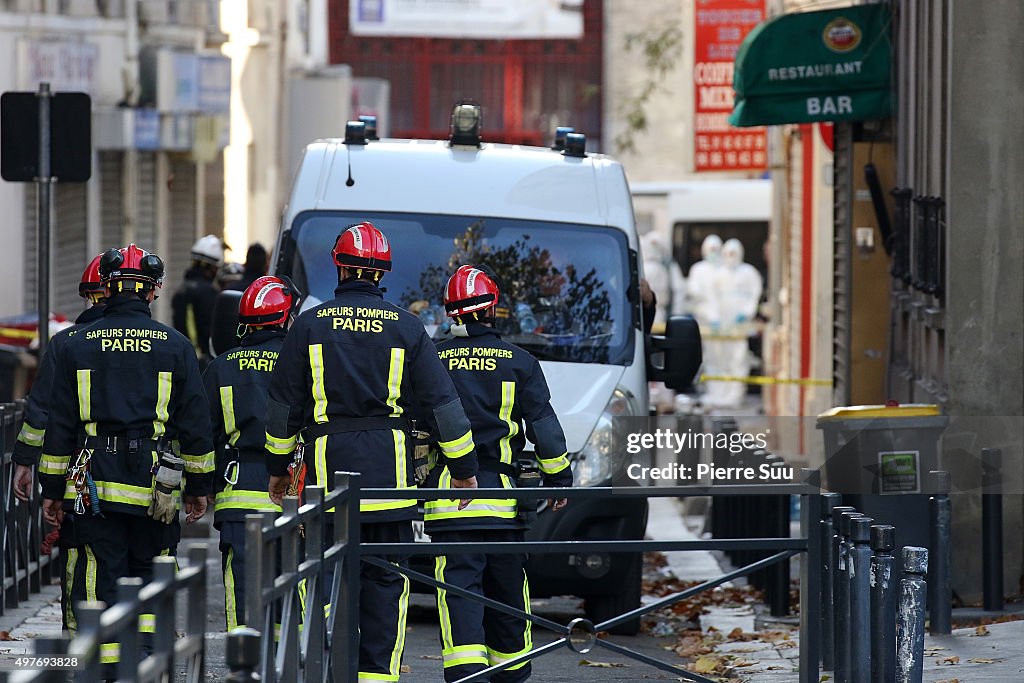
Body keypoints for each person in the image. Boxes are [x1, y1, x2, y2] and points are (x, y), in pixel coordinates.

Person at [264, 221, 479, 681]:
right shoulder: (407, 326)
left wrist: (279, 468)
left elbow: (283, 408)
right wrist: (463, 469)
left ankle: (329, 672)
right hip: (391, 486)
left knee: (326, 586)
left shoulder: (308, 326)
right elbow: (443, 405)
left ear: (339, 267)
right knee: (385, 589)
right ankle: (376, 677)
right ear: (381, 273)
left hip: (326, 486)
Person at [39, 244, 214, 670]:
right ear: (152, 292)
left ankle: (104, 669)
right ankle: (148, 666)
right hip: (156, 485)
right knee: (154, 575)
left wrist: (52, 491)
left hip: (92, 485)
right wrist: (199, 488)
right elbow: (195, 424)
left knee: (99, 578)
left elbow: (59, 425)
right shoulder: (175, 347)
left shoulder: (72, 344)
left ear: (106, 288)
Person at [426, 265, 573, 683]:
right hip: (502, 497)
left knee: (458, 585)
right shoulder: (521, 362)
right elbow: (544, 425)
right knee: (507, 584)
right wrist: (559, 478)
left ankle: (465, 669)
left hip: (450, 495)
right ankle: (512, 668)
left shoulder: (432, 359)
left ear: (451, 313)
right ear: (493, 308)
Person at [203, 275, 296, 630]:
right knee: (293, 586)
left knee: (242, 592)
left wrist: (201, 487)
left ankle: (247, 665)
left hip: (237, 495)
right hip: (293, 491)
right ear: (286, 319)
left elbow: (203, 435)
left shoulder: (221, 367)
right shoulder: (300, 362)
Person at [12, 253, 108, 503]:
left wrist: (24, 459)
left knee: (82, 541)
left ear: (90, 296)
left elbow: (41, 408)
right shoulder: (162, 344)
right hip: (144, 477)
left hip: (79, 472)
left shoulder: (66, 342)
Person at [704, 238, 763, 409]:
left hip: (739, 327)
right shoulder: (718, 274)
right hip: (720, 327)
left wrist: (746, 313)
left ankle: (735, 395)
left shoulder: (748, 272)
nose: (730, 256)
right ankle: (717, 394)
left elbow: (754, 295)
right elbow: (711, 298)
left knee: (738, 360)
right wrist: (713, 317)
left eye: (733, 253)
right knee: (717, 360)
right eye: (727, 253)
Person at [172, 234, 223, 367]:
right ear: (210, 267)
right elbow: (209, 330)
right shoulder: (208, 292)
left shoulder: (183, 288)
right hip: (201, 360)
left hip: (182, 355)